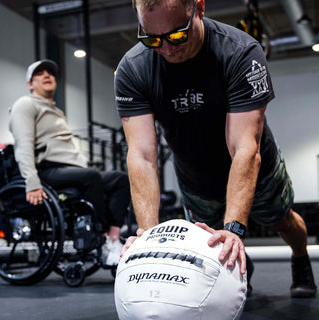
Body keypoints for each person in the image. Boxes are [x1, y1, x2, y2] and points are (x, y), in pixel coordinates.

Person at [114, 0, 317, 297]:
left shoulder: (240, 52)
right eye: (152, 39)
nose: (167, 49)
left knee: (282, 221)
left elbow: (244, 147)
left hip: (253, 168)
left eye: (176, 35)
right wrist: (149, 236)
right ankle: (241, 263)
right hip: (196, 174)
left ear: (199, 8)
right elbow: (142, 155)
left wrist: (235, 229)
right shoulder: (133, 68)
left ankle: (300, 258)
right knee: (210, 241)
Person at [9, 59, 131, 266]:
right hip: (47, 170)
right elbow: (23, 146)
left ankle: (112, 239)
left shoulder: (56, 111)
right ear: (30, 83)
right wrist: (32, 183)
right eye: (40, 73)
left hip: (72, 170)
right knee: (91, 177)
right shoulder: (25, 105)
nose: (47, 75)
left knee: (120, 179)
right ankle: (100, 241)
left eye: (51, 72)